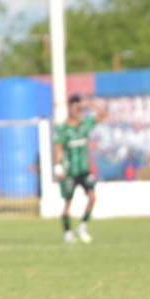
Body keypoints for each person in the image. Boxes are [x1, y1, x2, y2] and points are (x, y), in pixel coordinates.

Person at [54, 94, 107, 243]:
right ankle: (67, 232)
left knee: (92, 197)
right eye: (74, 107)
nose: (77, 110)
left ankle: (83, 224)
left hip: (84, 169)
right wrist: (58, 166)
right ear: (69, 108)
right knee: (68, 203)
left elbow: (103, 115)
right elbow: (58, 148)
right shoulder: (63, 128)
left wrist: (89, 104)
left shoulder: (85, 124)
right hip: (70, 171)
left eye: (79, 107)